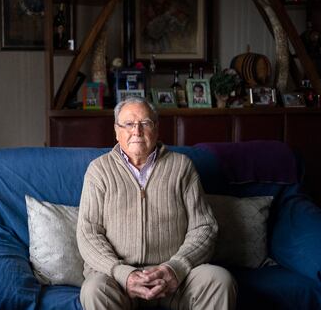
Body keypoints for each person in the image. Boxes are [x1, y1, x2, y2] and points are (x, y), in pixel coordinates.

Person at [76, 96, 237, 310]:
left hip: (176, 278)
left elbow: (204, 228)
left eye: (145, 123)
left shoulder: (182, 167)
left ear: (157, 128)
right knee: (94, 290)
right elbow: (88, 234)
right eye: (129, 124)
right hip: (118, 280)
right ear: (116, 131)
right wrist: (124, 273)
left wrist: (175, 268)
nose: (137, 131)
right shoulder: (98, 171)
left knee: (219, 280)